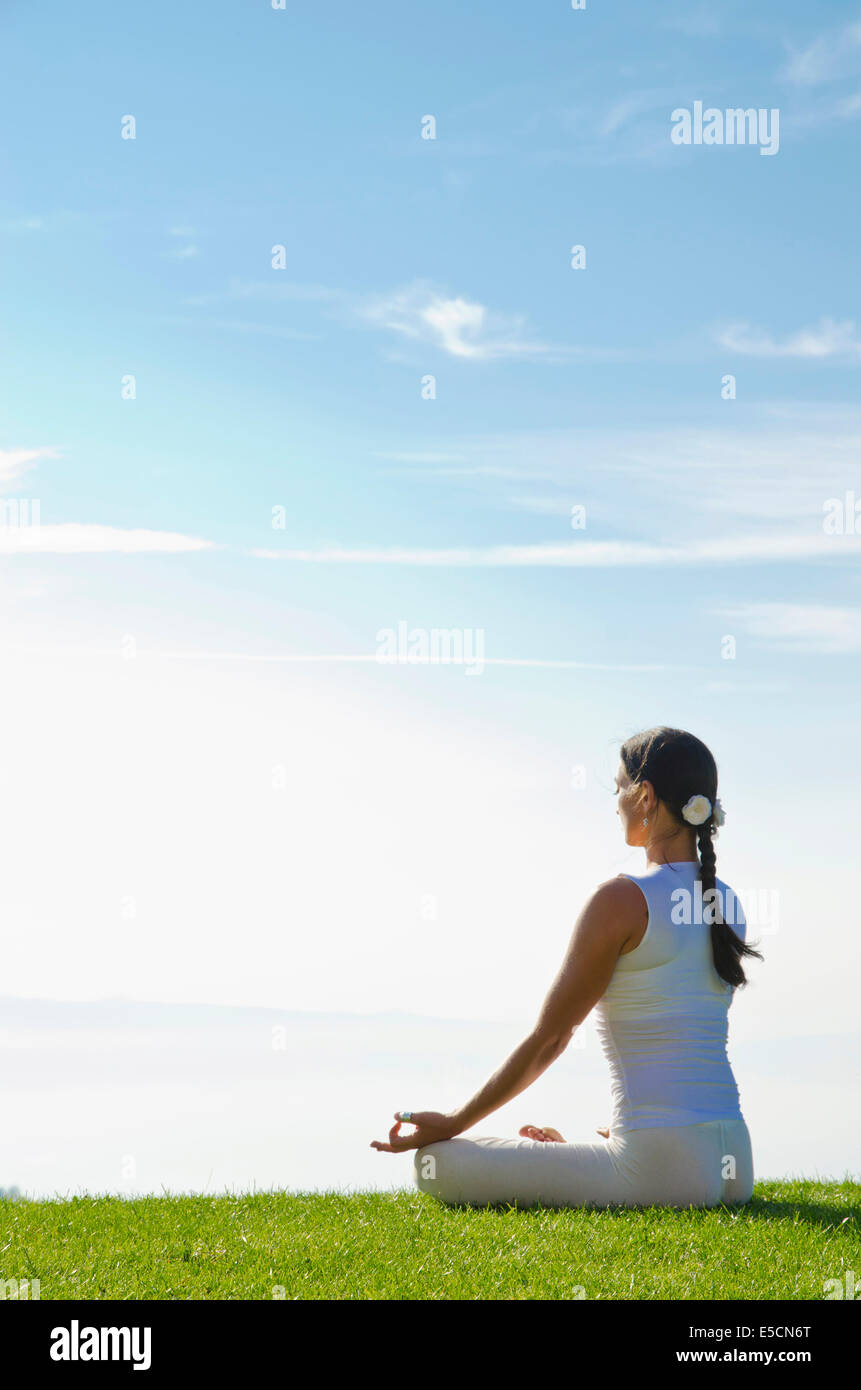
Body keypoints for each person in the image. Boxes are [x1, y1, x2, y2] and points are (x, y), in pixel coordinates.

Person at [370, 727, 762, 1209]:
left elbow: (551, 1038)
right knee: (598, 1152)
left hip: (661, 1171)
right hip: (734, 1166)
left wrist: (453, 1122)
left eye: (619, 788)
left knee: (437, 1165)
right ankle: (588, 1157)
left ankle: (588, 1160)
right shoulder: (727, 901)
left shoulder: (621, 899)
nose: (615, 802)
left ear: (646, 796)